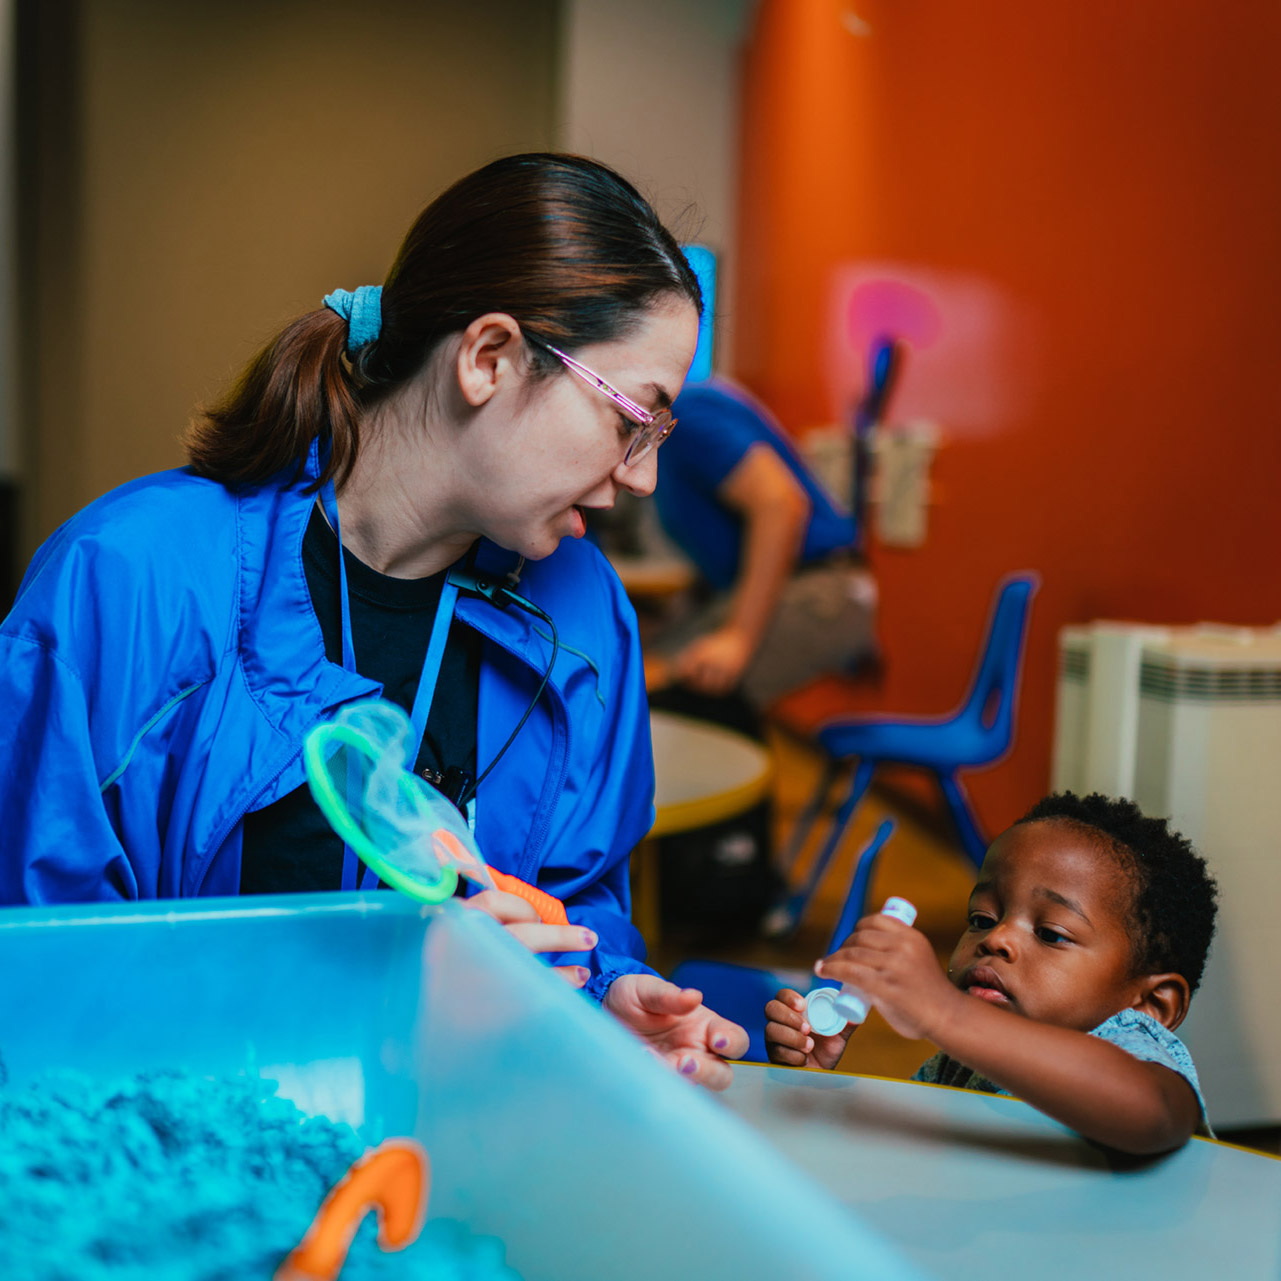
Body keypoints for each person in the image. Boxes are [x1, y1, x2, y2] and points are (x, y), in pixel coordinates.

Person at [0, 153, 748, 1088]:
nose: (639, 477)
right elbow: (36, 977)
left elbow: (574, 903)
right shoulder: (130, 577)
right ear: (488, 358)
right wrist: (386, 1000)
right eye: (632, 417)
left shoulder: (586, 615)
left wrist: (599, 996)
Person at [764, 792, 1219, 1153]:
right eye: (982, 919)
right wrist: (812, 1084)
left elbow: (1155, 1113)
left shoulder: (1129, 1043)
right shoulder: (958, 1066)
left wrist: (944, 1012)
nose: (996, 939)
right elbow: (914, 1154)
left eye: (1051, 933)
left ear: (1151, 1004)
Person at [645, 375, 877, 710]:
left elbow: (780, 504)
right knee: (649, 666)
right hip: (775, 583)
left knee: (682, 693)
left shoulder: (686, 415)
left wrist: (738, 637)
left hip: (820, 584)